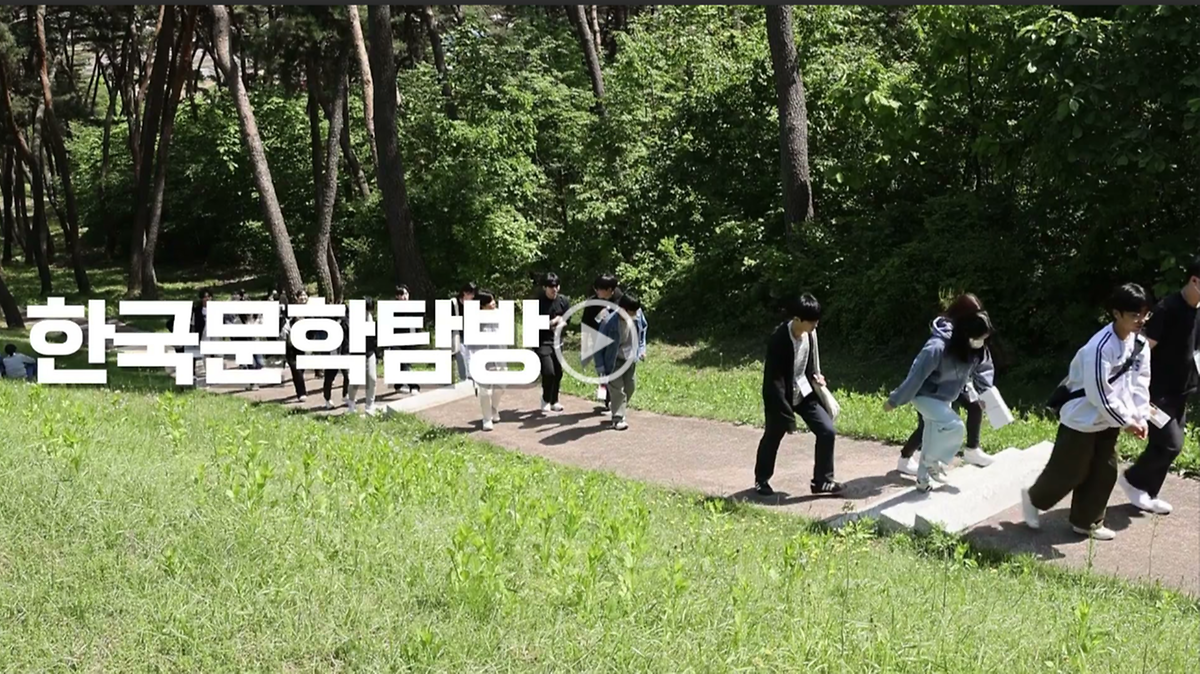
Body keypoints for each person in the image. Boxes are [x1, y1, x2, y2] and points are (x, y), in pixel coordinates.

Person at [1020, 283, 1153, 541]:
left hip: (1111, 419)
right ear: (1117, 313)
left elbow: (1140, 383)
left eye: (1146, 314)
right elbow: (1098, 393)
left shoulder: (1140, 345)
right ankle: (1033, 499)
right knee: (1069, 471)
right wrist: (1127, 421)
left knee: (1105, 471)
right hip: (1082, 418)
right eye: (1135, 315)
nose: (1141, 320)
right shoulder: (1100, 347)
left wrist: (1140, 416)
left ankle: (1087, 522)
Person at [1118, 257, 1200, 515]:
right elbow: (1142, 350)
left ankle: (1147, 493)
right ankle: (1132, 480)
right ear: (1194, 280)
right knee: (1170, 444)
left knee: (1168, 446)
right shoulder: (1167, 309)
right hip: (1156, 394)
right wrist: (1130, 389)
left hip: (1182, 390)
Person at [884, 311, 995, 492]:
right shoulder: (936, 347)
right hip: (924, 395)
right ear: (966, 333)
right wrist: (895, 400)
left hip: (945, 396)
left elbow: (979, 370)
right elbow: (915, 376)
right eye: (978, 338)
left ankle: (922, 481)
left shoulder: (971, 348)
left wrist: (982, 394)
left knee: (930, 436)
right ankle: (932, 462)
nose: (981, 343)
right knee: (955, 426)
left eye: (984, 339)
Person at [754, 294, 842, 497]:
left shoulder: (811, 334)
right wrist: (786, 416)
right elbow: (773, 382)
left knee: (827, 431)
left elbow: (810, 363)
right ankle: (761, 480)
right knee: (773, 436)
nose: (815, 324)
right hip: (780, 397)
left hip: (804, 392)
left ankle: (822, 481)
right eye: (811, 321)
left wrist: (817, 377)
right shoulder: (778, 340)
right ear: (797, 319)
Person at [596, 292, 648, 431]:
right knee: (617, 390)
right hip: (613, 361)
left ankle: (617, 407)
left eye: (636, 311)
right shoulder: (608, 322)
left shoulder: (637, 314)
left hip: (630, 359)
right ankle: (617, 419)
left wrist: (642, 349)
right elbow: (598, 346)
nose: (635, 315)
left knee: (630, 387)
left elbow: (643, 330)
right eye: (632, 312)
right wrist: (600, 367)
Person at [463, 290, 505, 430]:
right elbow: (469, 345)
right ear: (482, 306)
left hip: (499, 356)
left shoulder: (500, 315)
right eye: (490, 302)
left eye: (493, 300)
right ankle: (487, 418)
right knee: (485, 391)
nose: (493, 304)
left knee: (500, 387)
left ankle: (494, 409)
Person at [582, 273, 623, 410]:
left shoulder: (621, 301)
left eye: (599, 289)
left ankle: (614, 399)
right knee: (602, 370)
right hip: (598, 340)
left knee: (614, 370)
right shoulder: (592, 302)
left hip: (616, 341)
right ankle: (606, 399)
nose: (596, 291)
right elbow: (586, 323)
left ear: (609, 290)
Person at [536, 272, 570, 413]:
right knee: (548, 372)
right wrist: (551, 322)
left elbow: (567, 319)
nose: (554, 289)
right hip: (541, 341)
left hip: (557, 341)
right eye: (551, 287)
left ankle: (554, 400)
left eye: (556, 286)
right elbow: (531, 323)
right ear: (545, 287)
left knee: (558, 372)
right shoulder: (537, 302)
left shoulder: (563, 301)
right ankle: (545, 399)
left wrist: (561, 323)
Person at [392, 285, 423, 395]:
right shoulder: (393, 309)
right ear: (397, 296)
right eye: (401, 294)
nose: (404, 297)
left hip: (410, 339)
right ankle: (414, 386)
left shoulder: (413, 307)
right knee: (403, 363)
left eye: (406, 294)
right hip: (396, 340)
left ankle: (398, 385)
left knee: (404, 364)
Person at [282, 291, 309, 402]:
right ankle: (301, 393)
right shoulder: (291, 310)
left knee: (300, 369)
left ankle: (300, 387)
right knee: (296, 368)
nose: (303, 297)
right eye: (301, 295)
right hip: (290, 345)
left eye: (305, 295)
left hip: (304, 344)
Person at [450, 282, 478, 384]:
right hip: (456, 333)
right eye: (471, 294)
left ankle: (470, 376)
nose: (472, 296)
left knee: (470, 354)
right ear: (465, 293)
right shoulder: (454, 303)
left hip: (468, 332)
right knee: (460, 354)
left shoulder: (472, 304)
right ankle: (464, 378)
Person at [322, 313, 351, 410]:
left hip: (344, 352)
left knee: (348, 375)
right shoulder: (327, 322)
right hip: (332, 354)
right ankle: (327, 399)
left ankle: (346, 395)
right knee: (329, 378)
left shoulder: (346, 321)